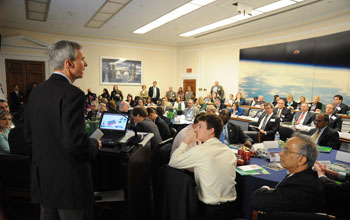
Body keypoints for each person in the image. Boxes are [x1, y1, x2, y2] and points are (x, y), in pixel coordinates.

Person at [23, 40, 101, 220]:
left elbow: (28, 136)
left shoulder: (36, 92)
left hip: (45, 183)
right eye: (83, 59)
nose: (86, 64)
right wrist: (93, 144)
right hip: (70, 186)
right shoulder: (73, 94)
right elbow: (74, 144)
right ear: (69, 63)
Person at [169, 114, 240, 220]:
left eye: (200, 126)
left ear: (211, 131)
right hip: (233, 208)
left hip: (209, 211)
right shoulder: (229, 151)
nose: (196, 130)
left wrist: (187, 140)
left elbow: (173, 162)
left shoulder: (201, 151)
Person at [251, 133, 325, 213]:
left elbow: (257, 200)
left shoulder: (299, 188)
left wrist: (266, 188)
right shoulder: (305, 177)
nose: (280, 153)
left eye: (286, 151)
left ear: (301, 160)